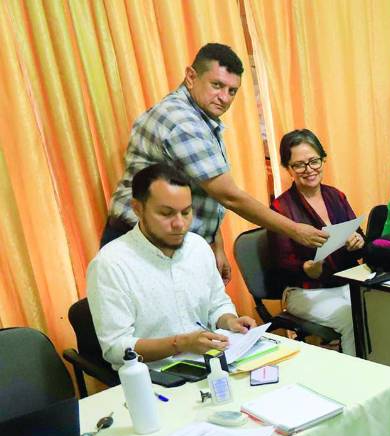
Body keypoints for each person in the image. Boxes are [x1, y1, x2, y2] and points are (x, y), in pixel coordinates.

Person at [101, 43, 327, 282]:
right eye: (217, 85)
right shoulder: (183, 122)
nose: (224, 98)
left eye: (232, 91)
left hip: (171, 241)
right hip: (142, 244)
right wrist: (296, 231)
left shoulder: (200, 116)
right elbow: (229, 196)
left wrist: (216, 243)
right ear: (191, 77)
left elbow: (202, 189)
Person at [88, 163, 257, 368]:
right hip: (155, 377)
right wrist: (180, 344)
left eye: (186, 212)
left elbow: (217, 304)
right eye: (166, 213)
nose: (179, 224)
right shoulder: (111, 264)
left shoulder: (197, 246)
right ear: (138, 209)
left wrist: (229, 320)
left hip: (211, 364)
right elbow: (116, 348)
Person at [266, 129, 363, 356]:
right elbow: (282, 262)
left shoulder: (335, 195)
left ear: (323, 159)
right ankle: (355, 382)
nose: (309, 170)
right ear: (288, 168)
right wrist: (308, 267)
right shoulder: (281, 208)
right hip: (303, 291)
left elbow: (358, 233)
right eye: (299, 165)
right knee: (351, 317)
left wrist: (358, 240)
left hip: (343, 283)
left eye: (314, 161)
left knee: (375, 307)